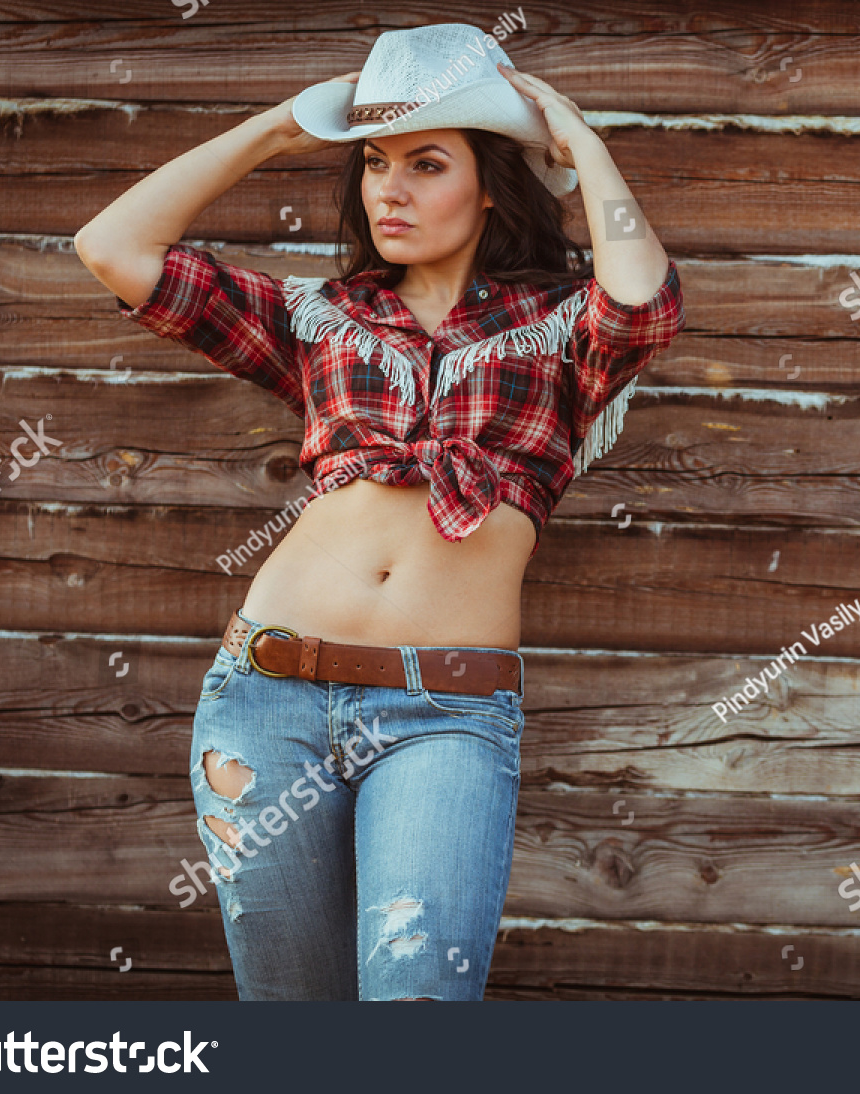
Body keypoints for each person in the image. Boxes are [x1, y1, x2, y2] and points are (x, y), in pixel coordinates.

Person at [73, 23, 683, 1000]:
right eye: (372, 163)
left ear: (491, 183)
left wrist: (578, 141)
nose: (388, 189)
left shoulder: (565, 329)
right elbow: (113, 247)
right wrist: (278, 129)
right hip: (268, 693)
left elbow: (644, 299)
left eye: (426, 163)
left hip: (444, 712)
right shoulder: (322, 318)